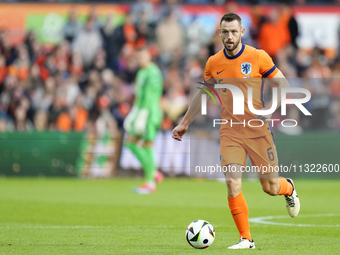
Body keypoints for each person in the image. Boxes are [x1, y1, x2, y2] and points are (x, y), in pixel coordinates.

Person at [172, 13, 300, 249]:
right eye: (225, 32)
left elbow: (283, 85)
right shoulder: (213, 63)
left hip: (258, 130)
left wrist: (271, 108)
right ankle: (246, 239)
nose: (229, 36)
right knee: (232, 182)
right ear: (219, 33)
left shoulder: (257, 57)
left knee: (270, 187)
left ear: (242, 32)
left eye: (233, 31)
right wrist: (185, 122)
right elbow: (204, 95)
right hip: (230, 131)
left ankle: (288, 188)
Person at [124, 47, 164, 194]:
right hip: (141, 111)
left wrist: (143, 114)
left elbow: (151, 95)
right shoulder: (141, 72)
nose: (141, 60)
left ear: (149, 57)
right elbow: (140, 96)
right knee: (131, 142)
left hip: (150, 113)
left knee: (146, 144)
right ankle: (153, 172)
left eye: (143, 57)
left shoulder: (153, 72)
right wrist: (134, 111)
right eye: (138, 57)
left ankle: (150, 181)